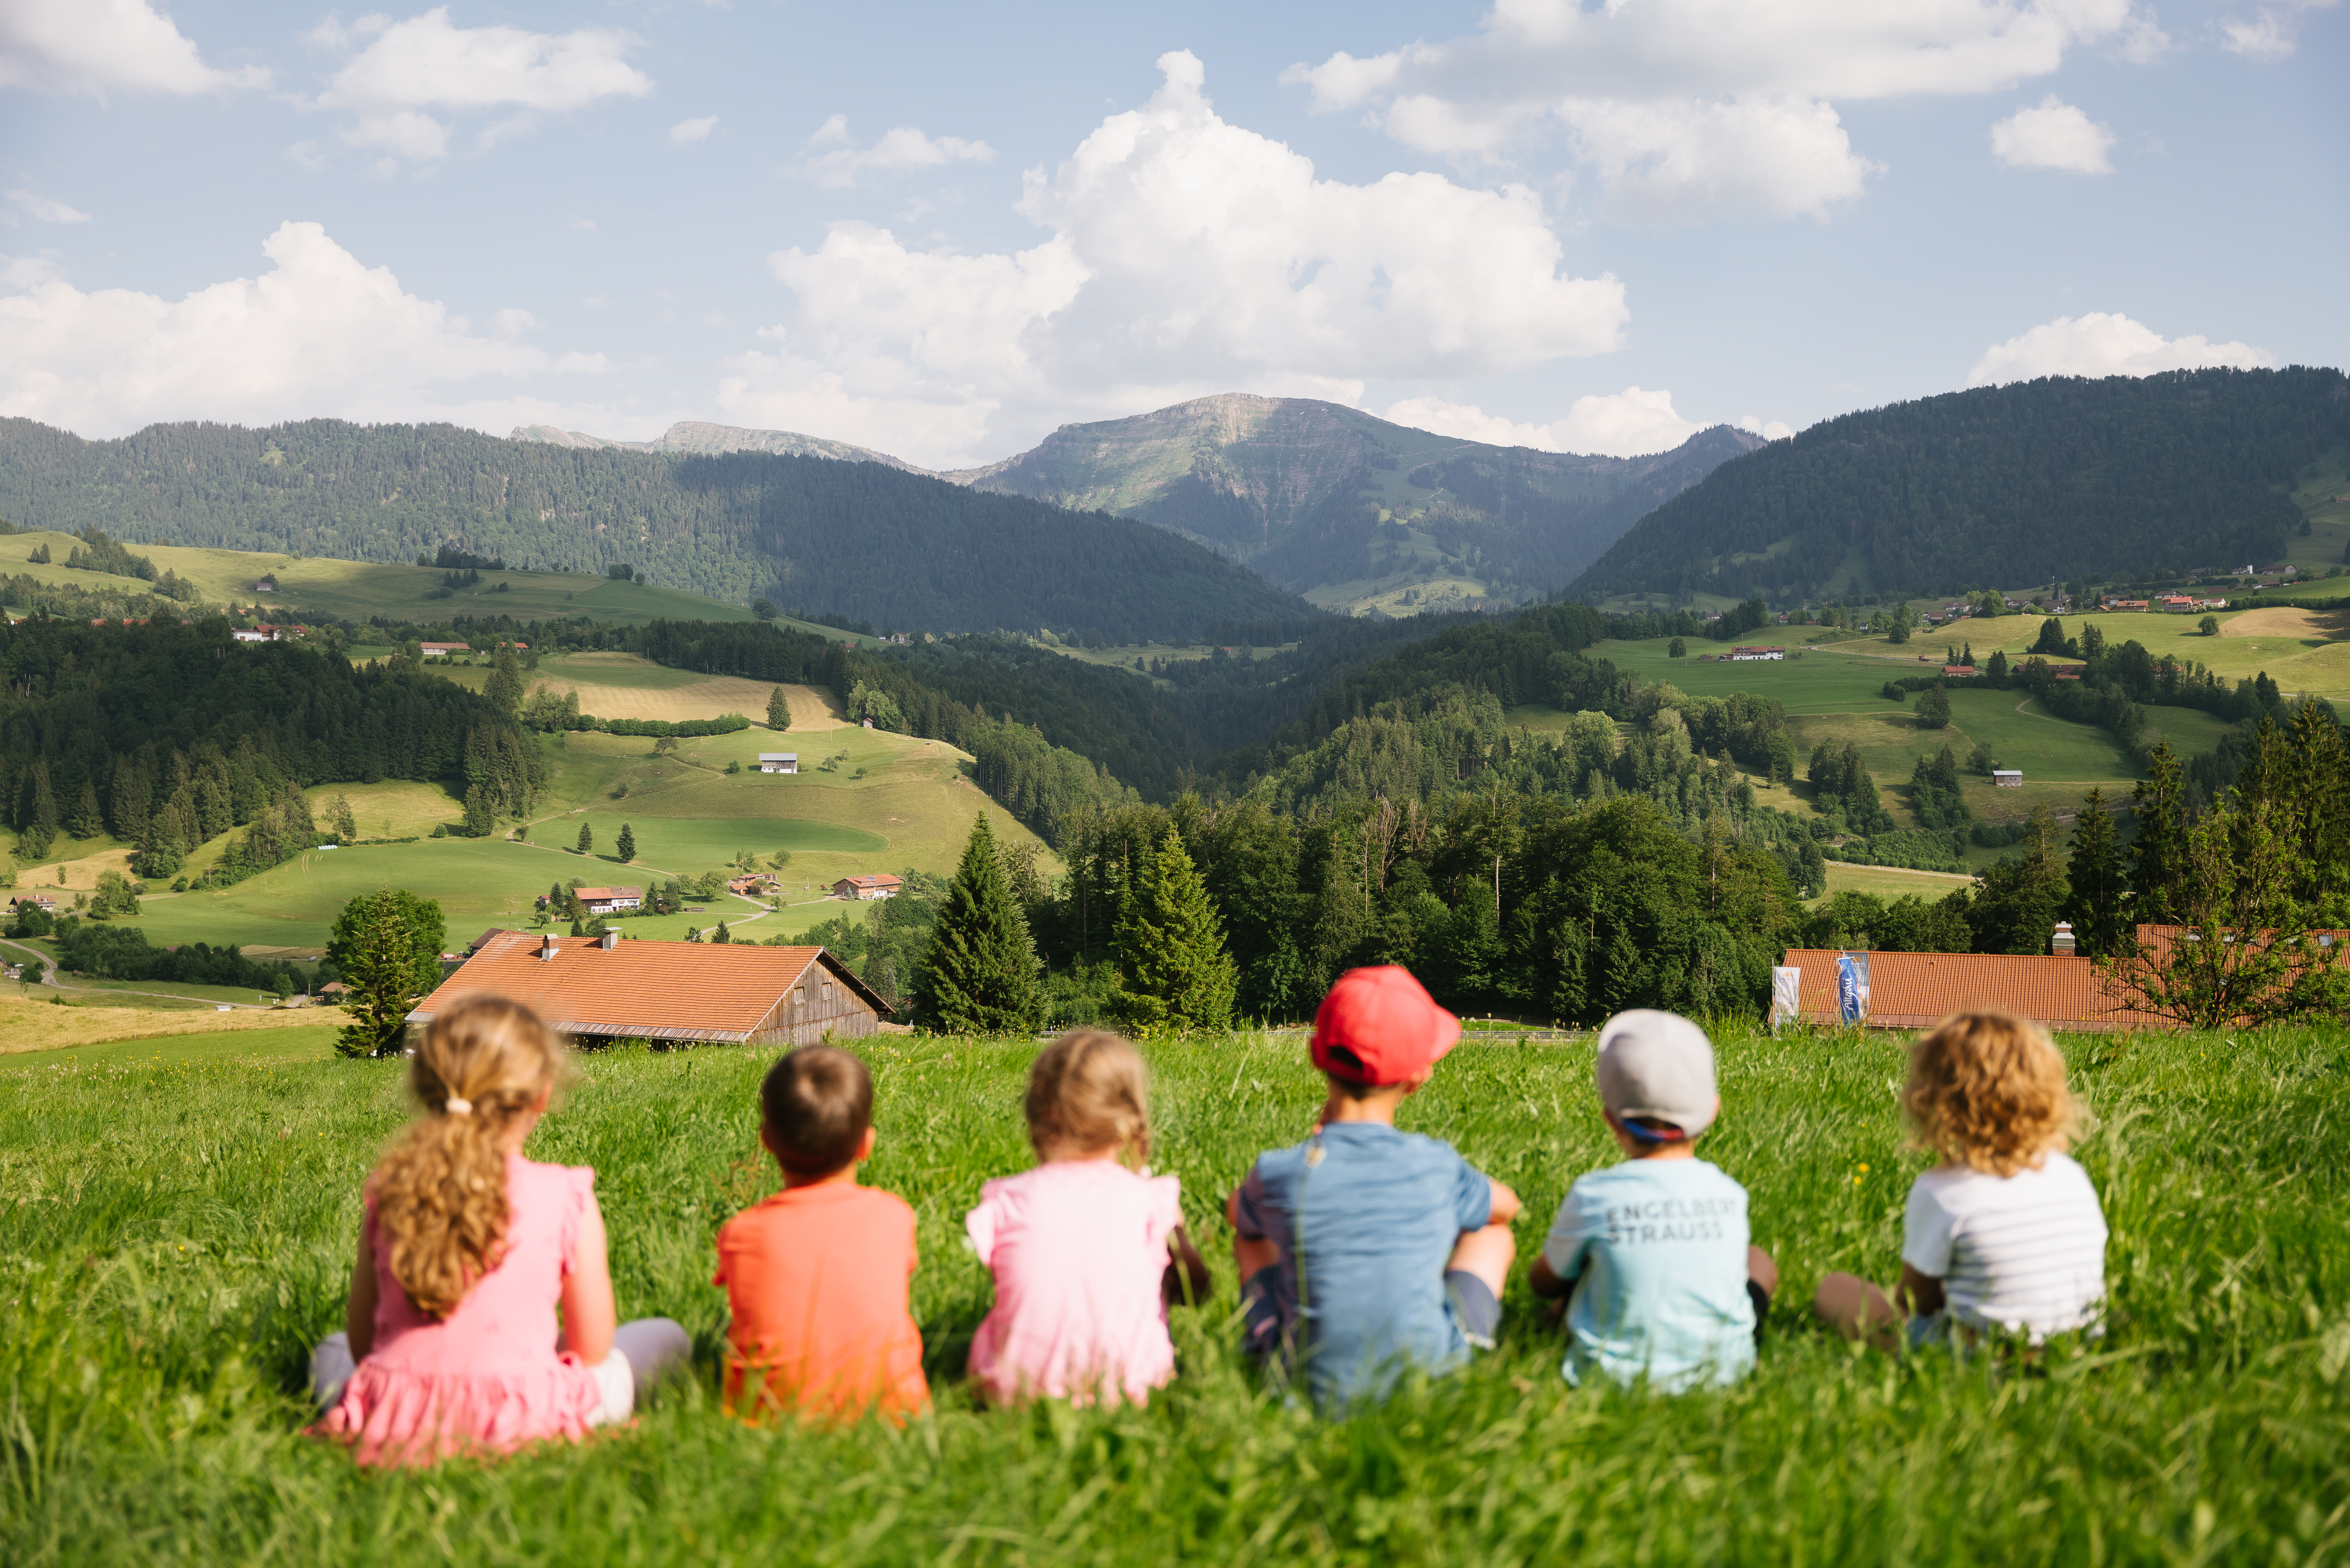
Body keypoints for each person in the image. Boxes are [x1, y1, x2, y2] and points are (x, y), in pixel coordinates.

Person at [311, 995, 689, 1466]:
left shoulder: (390, 1192)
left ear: (429, 1089)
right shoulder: (565, 1193)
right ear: (541, 1094)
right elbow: (592, 1348)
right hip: (527, 1416)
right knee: (667, 1337)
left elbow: (364, 1344)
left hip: (401, 1413)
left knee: (328, 1353)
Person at [1228, 965, 1520, 1411]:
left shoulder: (1278, 1172)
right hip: (1429, 1383)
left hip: (1302, 1386)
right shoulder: (1437, 1164)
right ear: (1419, 1077)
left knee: (1252, 1236)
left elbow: (1238, 1212)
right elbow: (1507, 1206)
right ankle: (1467, 1339)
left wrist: (1316, 1148)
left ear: (1315, 1055)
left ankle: (1266, 1339)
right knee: (1493, 1233)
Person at [1813, 1010, 2107, 1348]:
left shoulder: (1943, 1191)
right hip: (2073, 1349)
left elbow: (1916, 1302)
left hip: (1983, 1359)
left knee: (1834, 1288)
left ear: (1936, 1098)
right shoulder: (2073, 1176)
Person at [1528, 1009, 1778, 1391]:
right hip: (1723, 1374)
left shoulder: (1594, 1194)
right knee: (1759, 1260)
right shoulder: (1729, 1193)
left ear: (1611, 1120)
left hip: (1605, 1380)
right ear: (1712, 1111)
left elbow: (1543, 1282)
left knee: (1584, 1275)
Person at [964, 1030, 1211, 1405]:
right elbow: (1197, 1290)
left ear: (1038, 1117)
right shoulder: (1150, 1200)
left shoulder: (1009, 1200)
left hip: (1011, 1390)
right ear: (1129, 1116)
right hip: (1129, 1389)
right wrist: (1171, 1231)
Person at [713, 1045, 929, 1422]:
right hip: (893, 1415)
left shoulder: (741, 1233)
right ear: (867, 1144)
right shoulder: (895, 1217)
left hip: (765, 1416)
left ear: (766, 1141)